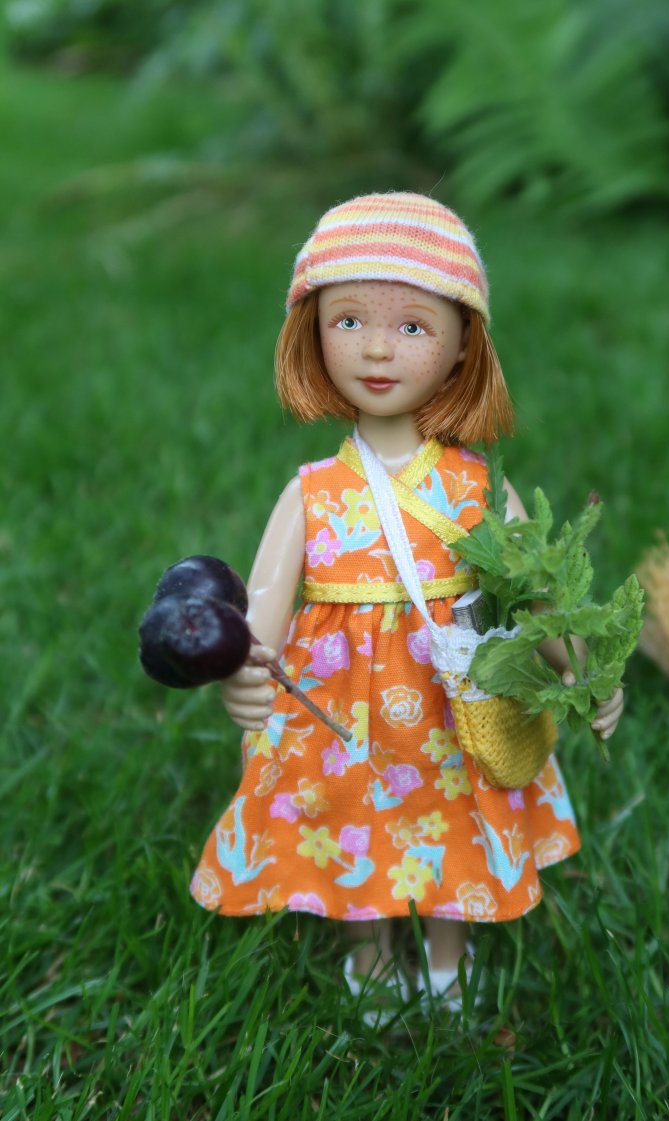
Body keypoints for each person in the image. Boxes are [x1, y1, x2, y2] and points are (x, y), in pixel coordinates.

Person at [189, 192, 624, 1008]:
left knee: (454, 812)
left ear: (464, 350)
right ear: (312, 334)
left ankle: (447, 959)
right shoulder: (313, 491)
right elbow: (265, 600)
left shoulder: (477, 489)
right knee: (351, 817)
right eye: (348, 320)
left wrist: (582, 668)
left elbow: (536, 596)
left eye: (414, 326)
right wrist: (243, 665)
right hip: (339, 710)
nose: (378, 347)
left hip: (451, 701)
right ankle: (372, 957)